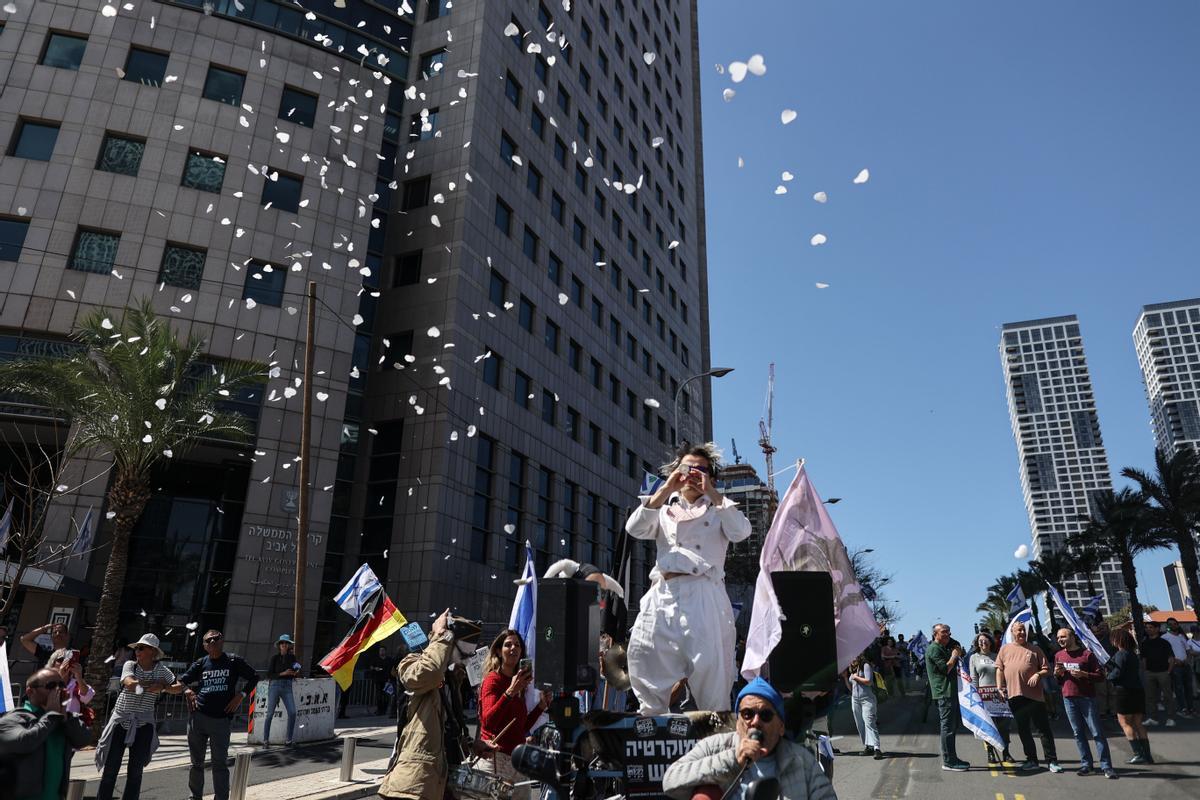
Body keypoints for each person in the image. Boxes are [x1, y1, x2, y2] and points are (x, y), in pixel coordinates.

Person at [624, 443, 752, 715]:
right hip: (663, 591)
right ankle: (651, 729)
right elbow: (634, 528)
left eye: (701, 470)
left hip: (703, 592)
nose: (693, 475)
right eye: (686, 469)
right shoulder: (663, 508)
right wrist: (666, 489)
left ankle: (716, 737)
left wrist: (713, 494)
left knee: (710, 671)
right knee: (645, 658)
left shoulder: (720, 510)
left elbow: (741, 531)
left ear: (712, 477)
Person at [662, 676, 836, 800]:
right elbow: (671, 780)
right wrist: (733, 760)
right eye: (747, 714)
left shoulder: (802, 760)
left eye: (766, 715)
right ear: (737, 723)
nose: (755, 721)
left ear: (781, 727)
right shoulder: (713, 747)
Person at [379, 609, 486, 800]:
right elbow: (427, 674)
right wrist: (443, 635)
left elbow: (446, 727)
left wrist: (469, 744)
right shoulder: (412, 662)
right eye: (465, 654)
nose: (468, 660)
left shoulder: (452, 679)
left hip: (444, 779)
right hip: (416, 782)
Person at [95, 633, 183, 800]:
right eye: (137, 648)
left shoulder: (161, 670)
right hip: (121, 721)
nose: (137, 651)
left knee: (135, 772)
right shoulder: (130, 665)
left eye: (141, 648)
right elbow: (129, 684)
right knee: (111, 769)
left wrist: (163, 687)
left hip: (144, 723)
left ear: (152, 651)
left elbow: (178, 687)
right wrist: (152, 685)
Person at [178, 629, 260, 800]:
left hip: (221, 721)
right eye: (209, 641)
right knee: (196, 764)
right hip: (198, 719)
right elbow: (181, 681)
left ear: (222, 641)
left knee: (219, 764)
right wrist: (187, 691)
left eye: (216, 639)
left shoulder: (233, 661)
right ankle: (194, 797)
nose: (213, 642)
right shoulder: (201, 663)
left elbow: (254, 677)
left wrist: (241, 696)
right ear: (204, 646)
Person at [0, 668, 91, 798]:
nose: (58, 690)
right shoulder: (12, 719)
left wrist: (66, 718)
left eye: (61, 685)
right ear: (30, 692)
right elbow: (25, 742)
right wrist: (51, 716)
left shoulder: (63, 720)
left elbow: (83, 740)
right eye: (51, 686)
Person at [477, 629, 552, 781]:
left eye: (517, 645)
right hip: (495, 761)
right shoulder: (493, 680)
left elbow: (520, 728)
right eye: (508, 645)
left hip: (518, 762)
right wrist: (510, 691)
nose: (513, 648)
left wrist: (541, 707)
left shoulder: (520, 684)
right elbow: (488, 722)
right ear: (498, 651)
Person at [995, 620, 1061, 773]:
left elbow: (1047, 669)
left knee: (1043, 729)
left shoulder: (1035, 649)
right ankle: (1032, 759)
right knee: (1023, 729)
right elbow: (999, 669)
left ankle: (1052, 761)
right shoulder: (1004, 649)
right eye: (1019, 630)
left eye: (1023, 630)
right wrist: (999, 687)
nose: (1022, 633)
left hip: (1035, 696)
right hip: (1015, 696)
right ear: (1012, 632)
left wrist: (1038, 675)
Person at [1053, 628, 1116, 779]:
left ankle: (1106, 766)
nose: (1060, 640)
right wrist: (1057, 674)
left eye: (1063, 636)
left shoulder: (1087, 654)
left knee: (1097, 733)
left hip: (1087, 698)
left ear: (1073, 637)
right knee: (1078, 733)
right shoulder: (1058, 655)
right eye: (1058, 637)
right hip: (1068, 698)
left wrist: (1084, 674)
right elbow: (1059, 681)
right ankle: (1087, 764)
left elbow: (1100, 676)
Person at [924, 623, 969, 771]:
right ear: (935, 634)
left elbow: (955, 643)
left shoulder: (944, 645)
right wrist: (955, 655)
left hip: (951, 692)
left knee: (952, 726)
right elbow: (945, 668)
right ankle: (949, 760)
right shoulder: (934, 649)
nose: (948, 634)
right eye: (944, 632)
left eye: (949, 632)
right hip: (944, 692)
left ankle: (953, 757)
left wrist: (955, 647)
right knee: (947, 728)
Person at [1107, 628, 1152, 765]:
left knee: (1125, 723)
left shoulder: (1121, 654)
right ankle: (1147, 755)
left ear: (1118, 640)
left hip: (1124, 692)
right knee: (1138, 723)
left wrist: (1108, 676)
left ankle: (1138, 754)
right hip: (1137, 690)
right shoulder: (1132, 654)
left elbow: (1118, 672)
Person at [969, 632, 1013, 764]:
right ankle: (990, 753)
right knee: (989, 725)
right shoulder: (974, 658)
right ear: (977, 644)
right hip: (984, 696)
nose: (983, 643)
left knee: (1004, 726)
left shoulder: (997, 656)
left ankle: (1006, 752)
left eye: (986, 640)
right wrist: (975, 695)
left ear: (990, 642)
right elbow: (974, 678)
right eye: (980, 641)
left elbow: (1005, 674)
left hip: (999, 695)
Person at [262, 634, 301, 747]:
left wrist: (294, 672)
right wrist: (282, 673)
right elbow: (269, 674)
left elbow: (296, 668)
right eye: (282, 643)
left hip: (287, 685)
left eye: (286, 643)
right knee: (269, 714)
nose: (284, 645)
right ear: (279, 645)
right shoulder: (274, 658)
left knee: (293, 712)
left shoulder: (292, 657)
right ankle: (265, 740)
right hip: (275, 685)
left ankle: (288, 740)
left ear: (288, 645)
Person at [1139, 620, 1176, 727]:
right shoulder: (1144, 643)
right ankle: (1152, 718)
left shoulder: (1164, 642)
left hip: (1163, 672)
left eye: (1151, 627)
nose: (1148, 629)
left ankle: (1170, 718)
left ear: (1157, 629)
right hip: (1149, 673)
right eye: (1147, 627)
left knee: (1167, 696)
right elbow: (1143, 659)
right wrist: (1145, 671)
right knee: (1150, 697)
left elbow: (1171, 657)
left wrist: (1169, 671)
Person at [847, 654, 883, 759]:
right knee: (860, 724)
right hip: (855, 699)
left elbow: (869, 681)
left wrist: (856, 677)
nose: (852, 658)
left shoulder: (865, 665)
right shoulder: (852, 669)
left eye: (854, 656)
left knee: (869, 722)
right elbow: (851, 687)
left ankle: (877, 748)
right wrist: (846, 678)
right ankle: (868, 746)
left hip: (867, 699)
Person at [1161, 617, 1198, 716]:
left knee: (1189, 688)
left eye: (1174, 624)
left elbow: (1188, 651)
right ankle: (1182, 708)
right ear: (1167, 626)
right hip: (1175, 666)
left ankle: (1191, 708)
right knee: (1179, 688)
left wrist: (1188, 660)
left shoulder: (1181, 637)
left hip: (1186, 665)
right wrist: (1175, 661)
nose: (1173, 625)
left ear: (1177, 625)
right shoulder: (1164, 637)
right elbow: (1163, 653)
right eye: (1170, 624)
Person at [1090, 618, 1118, 718]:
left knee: (1112, 691)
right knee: (1101, 692)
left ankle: (1114, 711)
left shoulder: (1112, 638)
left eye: (1104, 627)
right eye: (1100, 627)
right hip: (1099, 669)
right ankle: (1103, 711)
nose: (1102, 629)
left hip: (1112, 669)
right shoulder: (1093, 640)